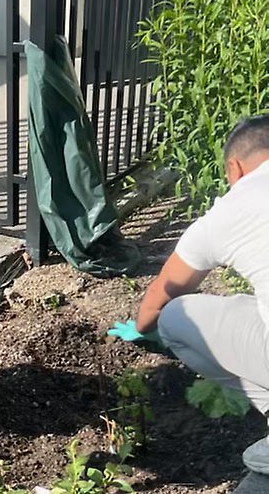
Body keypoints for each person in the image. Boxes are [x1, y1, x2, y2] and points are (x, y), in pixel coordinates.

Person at [110, 114, 269, 473]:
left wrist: (143, 327)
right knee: (251, 306)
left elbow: (163, 292)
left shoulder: (233, 207)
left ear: (235, 167)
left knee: (177, 317)